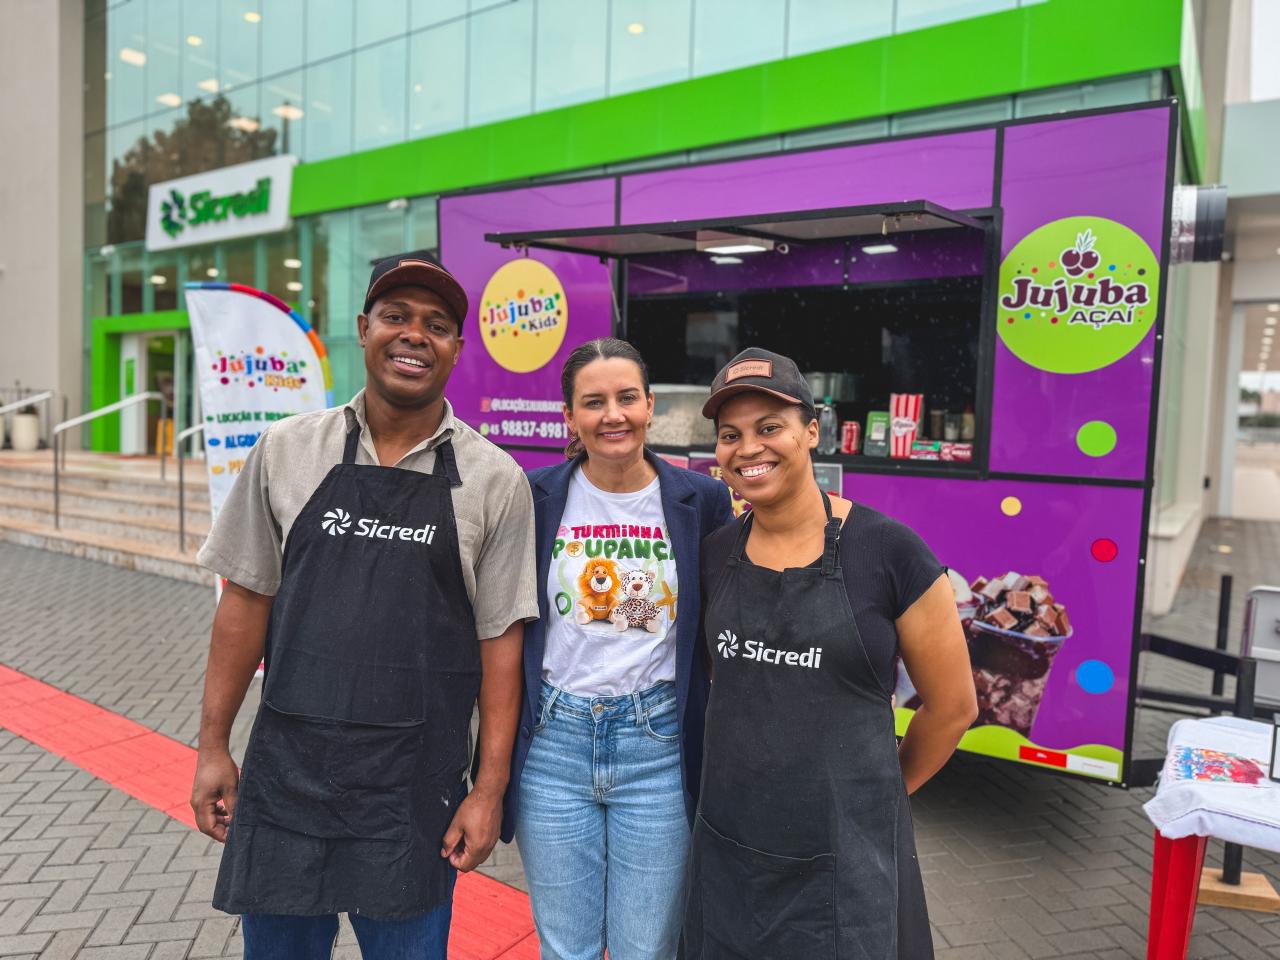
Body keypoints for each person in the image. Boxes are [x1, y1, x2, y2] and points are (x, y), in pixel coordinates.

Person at [190, 251, 538, 959]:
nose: (415, 335)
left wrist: (488, 789)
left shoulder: (495, 480)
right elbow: (246, 600)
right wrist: (212, 746)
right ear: (363, 328)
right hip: (289, 773)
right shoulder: (286, 450)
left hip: (414, 791)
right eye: (396, 316)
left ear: (456, 348)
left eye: (436, 325)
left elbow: (501, 642)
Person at [683, 348, 978, 960]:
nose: (749, 448)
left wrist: (879, 796)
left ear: (812, 432)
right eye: (731, 435)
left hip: (848, 862)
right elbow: (724, 682)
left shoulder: (891, 553)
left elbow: (953, 707)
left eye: (770, 427)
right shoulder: (714, 554)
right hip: (729, 846)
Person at [506, 338, 733, 960]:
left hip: (657, 747)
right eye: (594, 402)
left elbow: (725, 618)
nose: (613, 415)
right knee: (567, 950)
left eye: (627, 397)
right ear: (569, 416)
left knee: (645, 949)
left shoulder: (702, 500)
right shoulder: (532, 496)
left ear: (650, 405)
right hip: (553, 746)